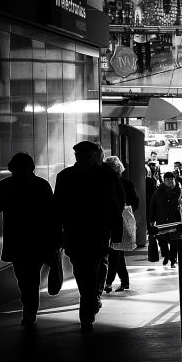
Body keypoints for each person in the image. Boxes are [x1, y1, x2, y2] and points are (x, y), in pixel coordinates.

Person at [54, 141, 125, 332]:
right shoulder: (107, 175)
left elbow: (58, 207)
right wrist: (116, 232)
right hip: (97, 230)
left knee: (84, 270)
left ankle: (87, 308)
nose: (83, 158)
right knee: (91, 269)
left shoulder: (66, 176)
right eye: (81, 155)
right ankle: (91, 299)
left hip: (77, 231)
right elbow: (118, 204)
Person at [0, 153, 61, 327]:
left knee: (23, 278)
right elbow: (52, 214)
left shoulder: (6, 185)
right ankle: (30, 310)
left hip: (17, 240)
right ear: (31, 167)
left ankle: (29, 310)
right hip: (39, 240)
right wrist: (56, 240)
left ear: (12, 168)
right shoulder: (41, 185)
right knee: (32, 277)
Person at [104, 156, 139, 293]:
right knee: (117, 253)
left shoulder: (124, 183)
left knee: (115, 252)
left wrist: (124, 210)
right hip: (114, 222)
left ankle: (108, 282)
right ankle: (124, 281)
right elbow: (136, 202)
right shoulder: (122, 183)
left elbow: (134, 202)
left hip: (119, 222)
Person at [150, 171, 182, 268]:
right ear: (164, 180)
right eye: (168, 179)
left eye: (172, 179)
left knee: (174, 241)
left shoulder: (180, 191)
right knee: (161, 240)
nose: (170, 181)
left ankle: (173, 260)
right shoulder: (158, 191)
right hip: (162, 219)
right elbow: (152, 206)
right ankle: (166, 255)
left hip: (175, 220)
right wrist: (151, 219)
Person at [130, 0, 153, 73]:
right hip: (138, 22)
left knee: (147, 46)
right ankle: (140, 66)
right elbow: (137, 1)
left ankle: (148, 65)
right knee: (139, 47)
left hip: (145, 22)